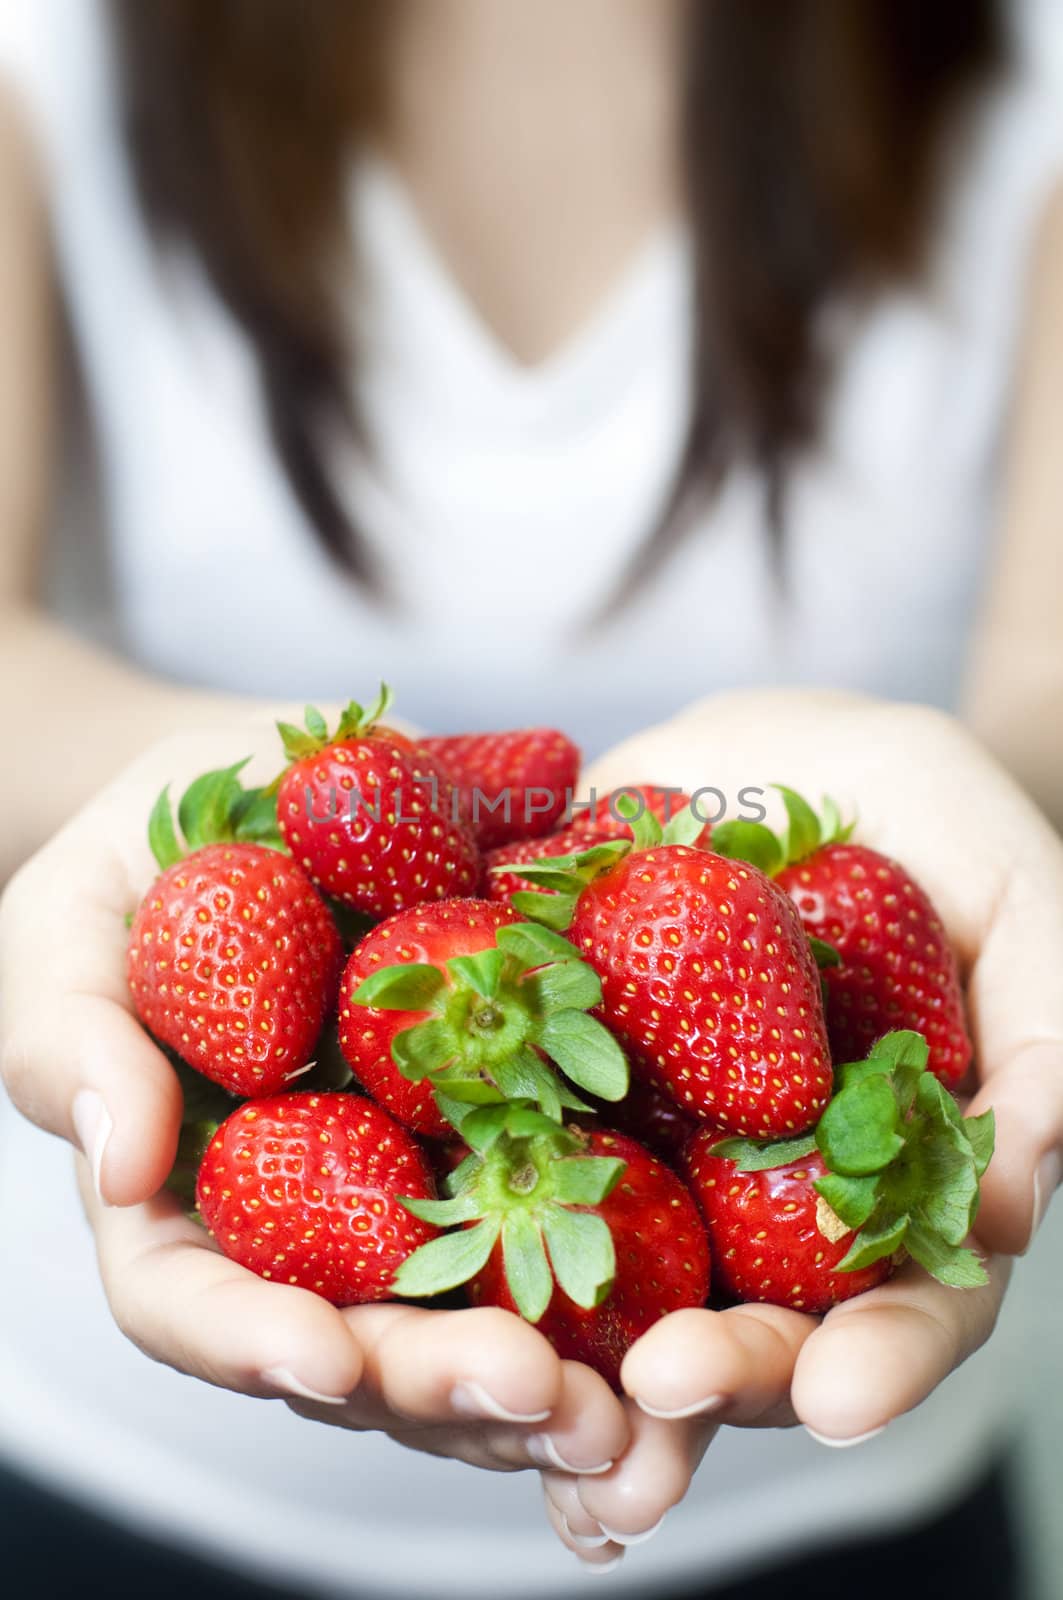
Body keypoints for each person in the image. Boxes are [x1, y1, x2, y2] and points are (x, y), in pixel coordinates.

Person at [0, 1, 1061, 1595]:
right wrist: (250, 799)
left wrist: (993, 810)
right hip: (123, 1483)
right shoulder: (55, 44)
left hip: (853, 1510)